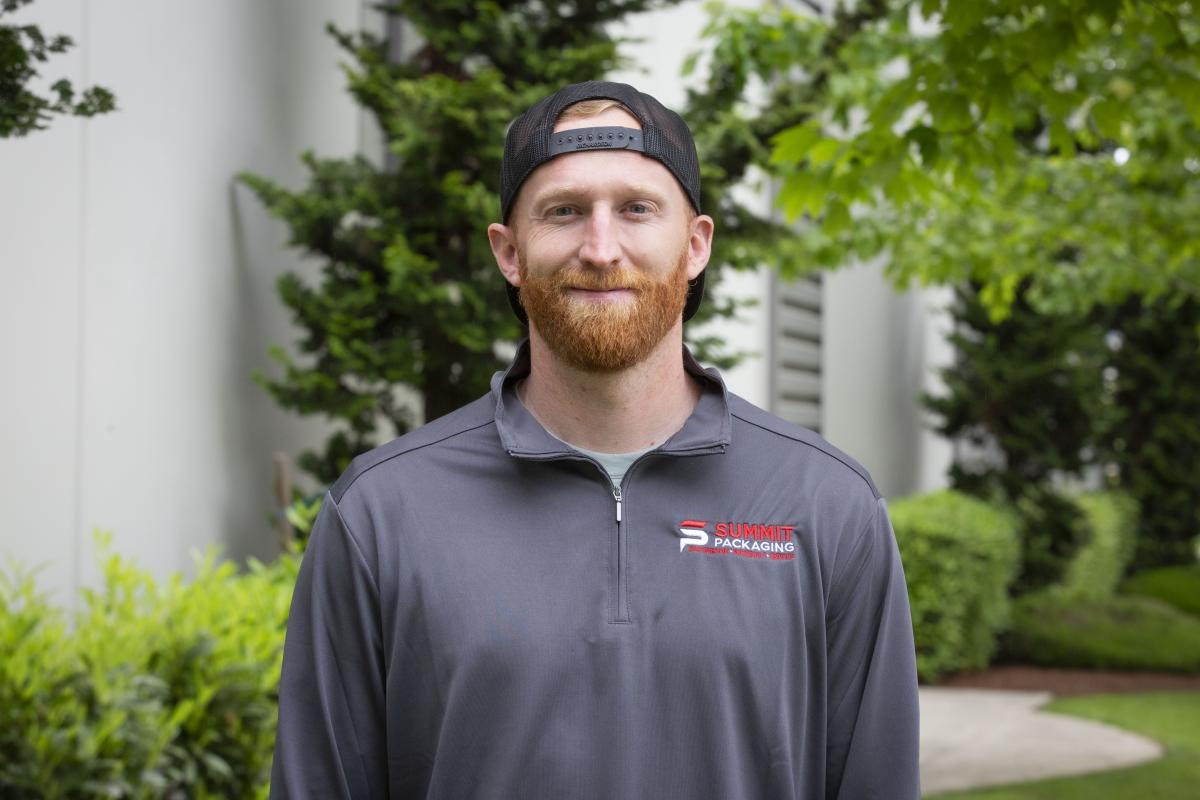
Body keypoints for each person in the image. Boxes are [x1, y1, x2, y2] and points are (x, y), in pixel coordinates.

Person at [270, 80, 920, 800]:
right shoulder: (379, 517)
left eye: (637, 209)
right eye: (564, 212)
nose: (601, 247)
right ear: (509, 252)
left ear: (696, 244)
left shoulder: (828, 509)